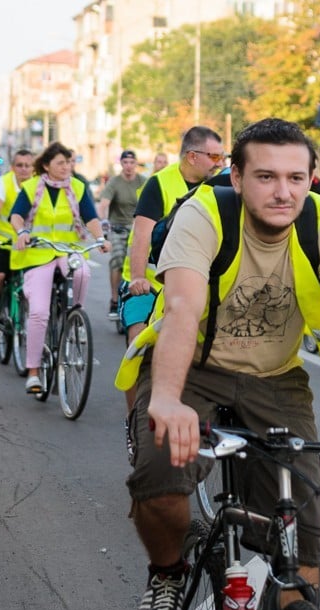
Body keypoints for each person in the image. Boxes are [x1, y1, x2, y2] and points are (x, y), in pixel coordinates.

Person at [121, 118, 320, 610]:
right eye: (265, 177)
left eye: (296, 178)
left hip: (277, 381)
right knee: (160, 483)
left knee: (303, 545)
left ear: (311, 178)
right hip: (194, 369)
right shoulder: (205, 213)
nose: (283, 192)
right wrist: (167, 400)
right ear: (235, 177)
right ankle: (168, 571)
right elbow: (182, 309)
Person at [118, 126, 223, 410]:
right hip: (150, 283)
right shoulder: (159, 183)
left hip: (194, 286)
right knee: (137, 348)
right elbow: (142, 234)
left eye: (223, 157)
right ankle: (135, 423)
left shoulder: (219, 187)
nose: (220, 162)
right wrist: (138, 277)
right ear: (192, 156)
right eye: (214, 156)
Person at [8, 142, 110, 394]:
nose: (67, 167)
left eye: (69, 162)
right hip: (38, 253)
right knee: (39, 312)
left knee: (83, 271)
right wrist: (21, 232)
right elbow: (16, 215)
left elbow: (91, 217)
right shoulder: (31, 187)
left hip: (68, 251)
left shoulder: (77, 186)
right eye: (61, 163)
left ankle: (75, 317)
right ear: (46, 166)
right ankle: (33, 372)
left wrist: (100, 238)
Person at [0, 150, 36, 330]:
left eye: (28, 165)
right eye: (19, 165)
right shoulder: (2, 183)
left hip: (30, 244)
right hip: (4, 242)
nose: (24, 169)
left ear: (34, 168)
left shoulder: (40, 185)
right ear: (12, 167)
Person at [98, 150, 147, 319]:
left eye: (132, 162)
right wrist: (103, 221)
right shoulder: (115, 182)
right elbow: (103, 204)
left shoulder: (143, 181)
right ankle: (113, 300)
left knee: (140, 260)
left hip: (137, 227)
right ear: (121, 164)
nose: (128, 166)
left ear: (136, 164)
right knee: (118, 259)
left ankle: (139, 298)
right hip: (118, 227)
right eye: (125, 162)